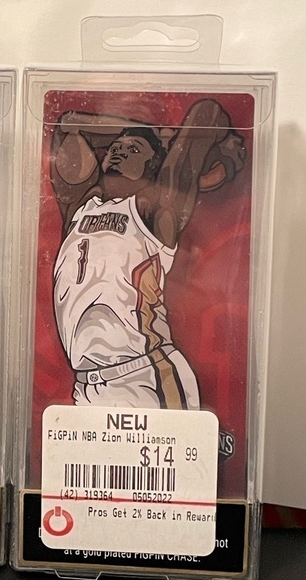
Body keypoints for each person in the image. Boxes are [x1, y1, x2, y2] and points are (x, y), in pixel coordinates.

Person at [50, 99, 245, 410]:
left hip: (146, 374)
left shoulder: (153, 209)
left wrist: (215, 161)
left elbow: (207, 112)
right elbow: (67, 126)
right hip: (87, 382)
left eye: (134, 149)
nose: (119, 151)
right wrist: (148, 130)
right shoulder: (79, 207)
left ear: (154, 166)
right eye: (116, 147)